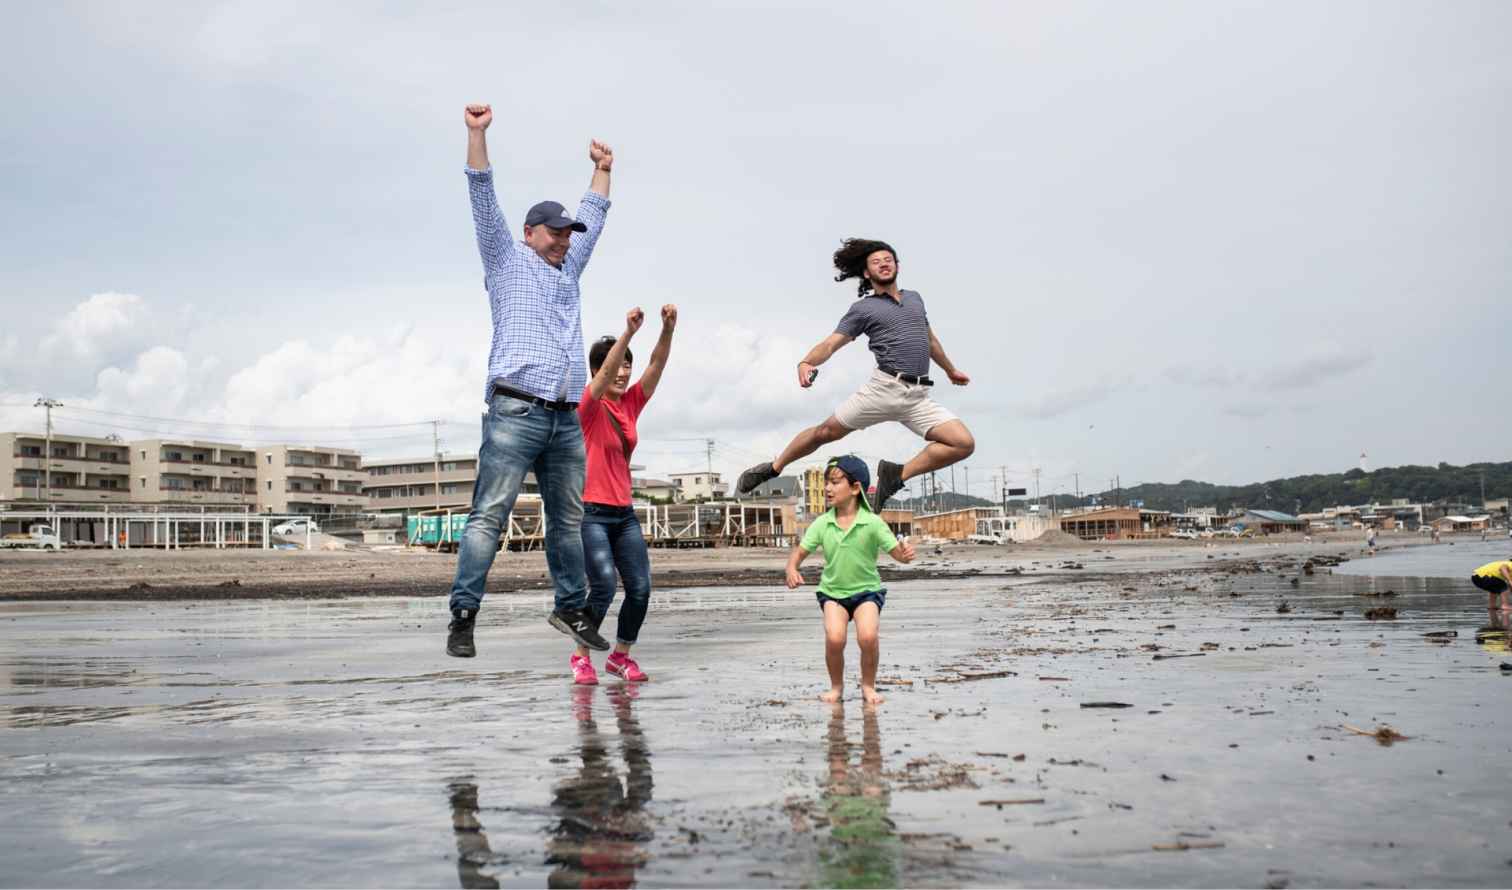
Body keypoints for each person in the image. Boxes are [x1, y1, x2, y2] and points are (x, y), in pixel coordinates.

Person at [446, 102, 615, 659]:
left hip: (566, 418)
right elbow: (480, 193)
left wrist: (602, 168)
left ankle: (570, 608)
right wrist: (476, 133)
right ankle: (464, 614)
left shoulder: (570, 268)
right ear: (529, 233)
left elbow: (596, 212)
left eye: (570, 232)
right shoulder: (504, 258)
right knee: (489, 516)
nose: (567, 238)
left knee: (567, 522)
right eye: (558, 231)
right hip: (515, 411)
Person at [735, 239, 974, 508]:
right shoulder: (864, 309)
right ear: (866, 273)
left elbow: (929, 341)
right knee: (824, 432)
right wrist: (806, 362)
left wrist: (950, 369)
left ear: (897, 265)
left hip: (917, 396)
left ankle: (896, 475)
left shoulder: (915, 299)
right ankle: (773, 468)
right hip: (884, 389)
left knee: (962, 443)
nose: (884, 263)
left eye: (888, 259)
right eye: (876, 262)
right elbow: (831, 343)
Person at [568, 304, 678, 685]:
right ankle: (580, 657)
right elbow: (602, 378)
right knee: (601, 584)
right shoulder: (588, 404)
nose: (624, 371)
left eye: (627, 364)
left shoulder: (629, 404)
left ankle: (619, 656)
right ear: (600, 370)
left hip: (624, 514)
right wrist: (627, 334)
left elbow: (656, 368)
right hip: (591, 513)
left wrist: (667, 329)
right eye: (617, 365)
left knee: (641, 588)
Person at [785, 455, 916, 705]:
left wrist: (905, 554)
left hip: (867, 591)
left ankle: (868, 686)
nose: (827, 488)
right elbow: (799, 553)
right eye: (826, 483)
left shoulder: (873, 523)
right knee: (835, 638)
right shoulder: (823, 523)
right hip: (833, 593)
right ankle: (836, 687)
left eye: (835, 482)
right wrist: (791, 568)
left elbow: (897, 554)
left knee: (867, 637)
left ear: (855, 488)